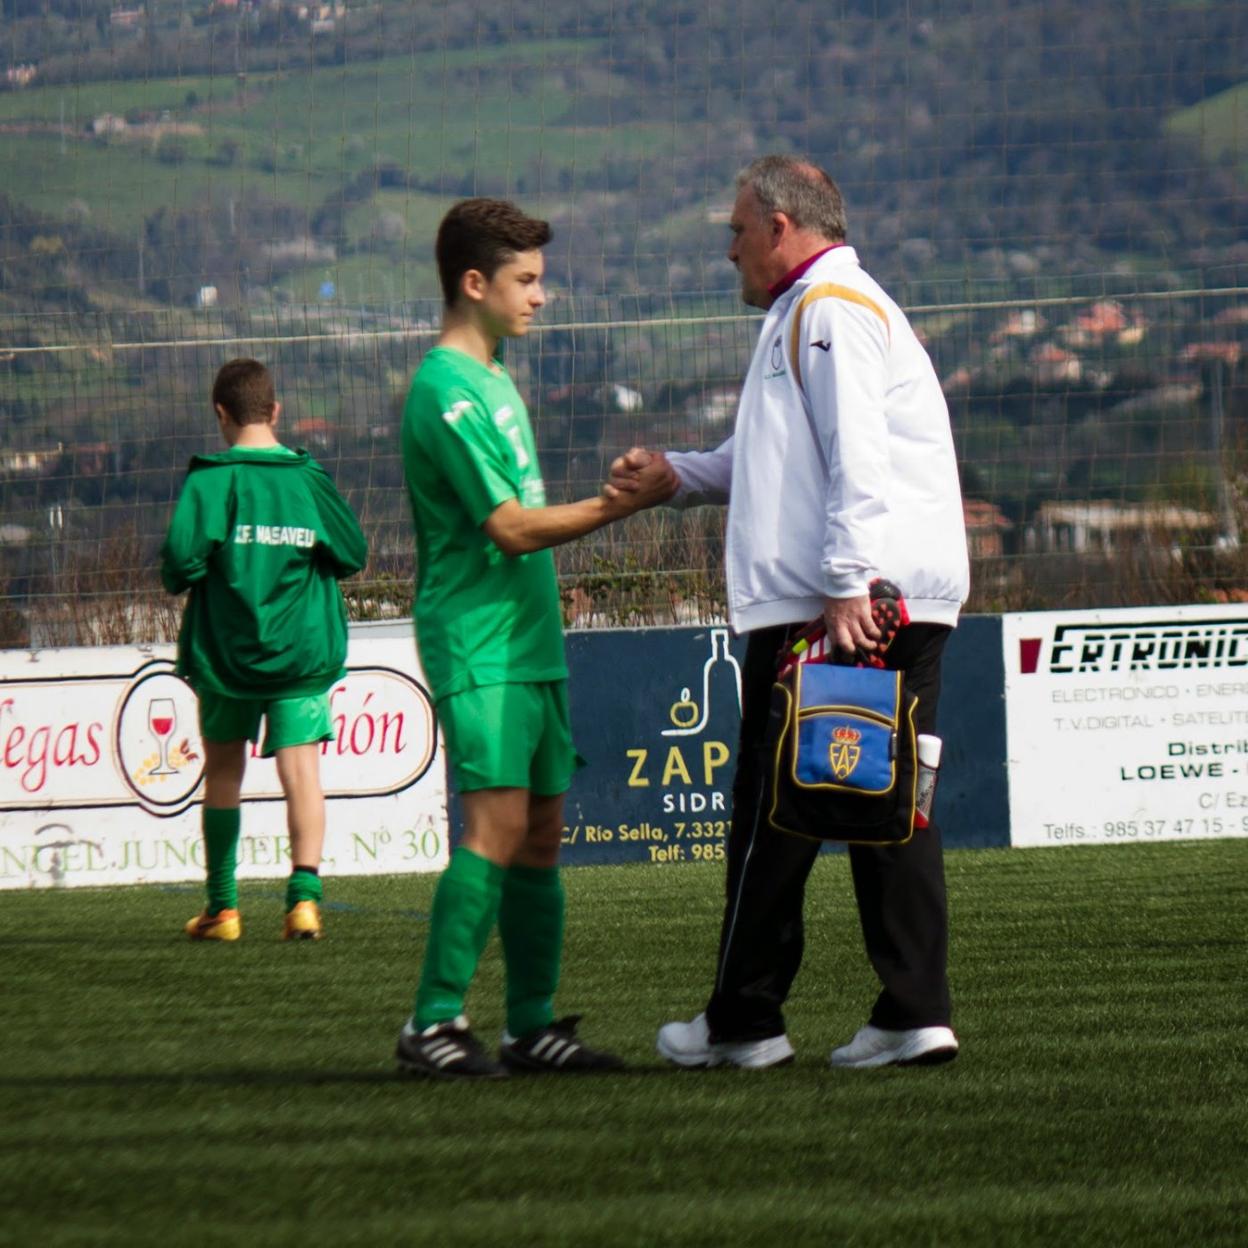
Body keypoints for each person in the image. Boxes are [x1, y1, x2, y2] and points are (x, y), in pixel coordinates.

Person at [613, 155, 969, 1070]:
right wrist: (679, 477)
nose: (727, 249)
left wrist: (847, 583)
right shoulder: (823, 312)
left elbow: (858, 455)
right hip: (894, 598)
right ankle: (913, 1010)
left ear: (780, 227)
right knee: (889, 806)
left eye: (736, 230)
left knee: (774, 809)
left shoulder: (827, 313)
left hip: (839, 605)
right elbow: (774, 458)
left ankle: (745, 1021)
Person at [395, 197, 678, 1080]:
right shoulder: (444, 389)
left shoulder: (497, 379)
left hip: (530, 640)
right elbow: (510, 529)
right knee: (496, 826)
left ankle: (531, 1026)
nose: (540, 298)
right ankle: (433, 1024)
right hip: (479, 643)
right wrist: (612, 507)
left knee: (544, 831)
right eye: (525, 281)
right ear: (473, 284)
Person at [161, 358, 368, 943]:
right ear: (276, 412)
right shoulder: (308, 481)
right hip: (299, 657)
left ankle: (222, 910)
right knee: (301, 772)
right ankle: (303, 902)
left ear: (221, 415)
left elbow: (178, 566)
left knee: (223, 773)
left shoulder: (210, 481)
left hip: (226, 657)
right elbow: (352, 553)